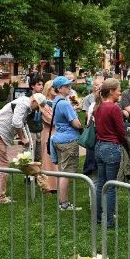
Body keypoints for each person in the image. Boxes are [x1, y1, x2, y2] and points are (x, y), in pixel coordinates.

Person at [0, 93, 47, 203]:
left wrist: (22, 138)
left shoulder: (23, 102)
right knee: (3, 165)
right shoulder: (24, 104)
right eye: (37, 107)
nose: (36, 110)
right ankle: (1, 197)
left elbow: (18, 122)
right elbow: (16, 122)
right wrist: (22, 138)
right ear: (35, 102)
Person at [93, 78, 129, 228]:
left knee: (101, 183)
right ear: (112, 91)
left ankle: (98, 216)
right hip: (111, 148)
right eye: (119, 90)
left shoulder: (98, 106)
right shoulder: (114, 108)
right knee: (111, 185)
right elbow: (121, 131)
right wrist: (125, 143)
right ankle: (109, 220)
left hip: (99, 147)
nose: (120, 92)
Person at [50, 76, 83, 211]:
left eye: (70, 85)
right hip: (68, 141)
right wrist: (80, 127)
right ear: (59, 89)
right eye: (66, 86)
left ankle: (62, 201)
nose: (69, 88)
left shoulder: (56, 101)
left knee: (63, 171)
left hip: (59, 139)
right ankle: (63, 203)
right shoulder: (64, 103)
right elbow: (75, 122)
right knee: (66, 173)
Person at [81, 77, 103, 176]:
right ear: (93, 86)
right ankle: (89, 167)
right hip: (92, 125)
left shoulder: (105, 97)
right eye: (97, 84)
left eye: (101, 84)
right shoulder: (88, 98)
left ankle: (95, 167)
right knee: (90, 147)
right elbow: (86, 114)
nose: (99, 86)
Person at [40, 80, 58, 192]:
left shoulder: (57, 101)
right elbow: (51, 119)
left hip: (58, 133)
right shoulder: (44, 103)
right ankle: (49, 186)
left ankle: (57, 184)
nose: (56, 90)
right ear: (48, 89)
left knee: (56, 159)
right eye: (53, 88)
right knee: (48, 159)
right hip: (48, 132)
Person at [26, 77, 45, 162]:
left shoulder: (42, 97)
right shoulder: (27, 98)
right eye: (39, 84)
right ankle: (28, 174)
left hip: (39, 128)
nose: (41, 87)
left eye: (42, 85)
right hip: (30, 128)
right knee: (29, 154)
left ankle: (38, 173)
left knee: (39, 155)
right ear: (32, 86)